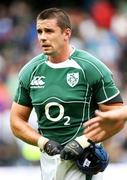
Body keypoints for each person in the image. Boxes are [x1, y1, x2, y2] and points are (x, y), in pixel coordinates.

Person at [10, 8, 123, 180]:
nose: (42, 37)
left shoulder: (91, 68)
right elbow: (16, 121)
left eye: (49, 31)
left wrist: (83, 141)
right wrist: (43, 142)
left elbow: (118, 118)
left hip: (82, 162)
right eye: (39, 31)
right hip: (48, 163)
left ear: (66, 33)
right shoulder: (29, 71)